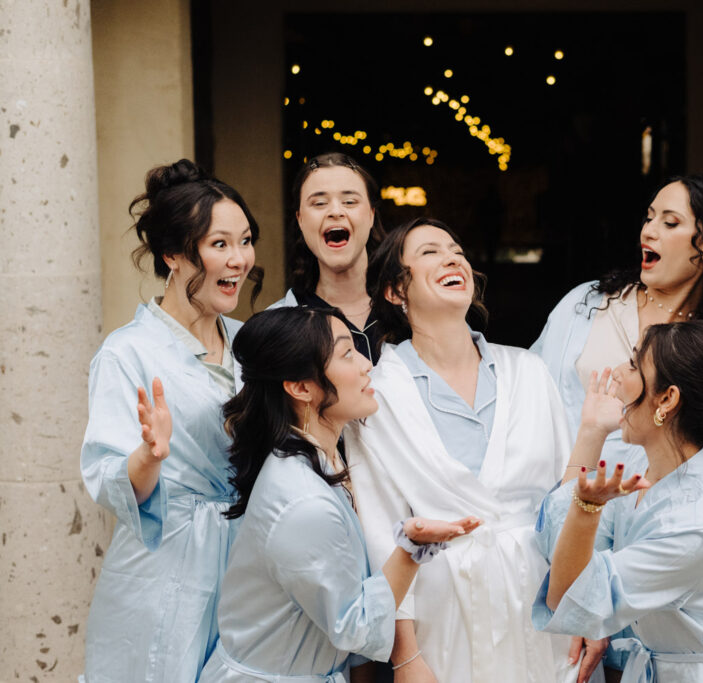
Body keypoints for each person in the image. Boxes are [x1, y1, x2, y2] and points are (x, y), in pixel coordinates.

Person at [345, 218, 597, 682]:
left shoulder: (528, 371)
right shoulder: (377, 396)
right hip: (442, 616)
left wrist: (587, 609)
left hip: (542, 605)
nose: (452, 257)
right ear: (395, 292)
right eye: (428, 252)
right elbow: (381, 532)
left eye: (456, 249)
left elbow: (568, 505)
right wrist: (405, 657)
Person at [199, 307, 480, 682]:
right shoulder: (303, 502)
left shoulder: (315, 461)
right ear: (301, 388)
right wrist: (411, 548)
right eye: (347, 353)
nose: (367, 364)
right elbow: (357, 629)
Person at [80, 159, 262, 681]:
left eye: (245, 241)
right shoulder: (127, 353)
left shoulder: (250, 343)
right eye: (219, 244)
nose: (240, 259)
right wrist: (147, 457)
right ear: (175, 255)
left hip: (246, 563)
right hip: (163, 572)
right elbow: (110, 481)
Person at [533, 322, 703, 683]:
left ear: (667, 399)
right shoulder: (642, 465)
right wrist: (591, 433)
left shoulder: (697, 523)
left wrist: (586, 509)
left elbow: (573, 599)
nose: (619, 374)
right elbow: (557, 550)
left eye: (635, 365)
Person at [532, 175, 703, 476]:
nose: (648, 231)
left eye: (670, 223)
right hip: (560, 490)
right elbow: (529, 390)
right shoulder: (586, 304)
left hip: (653, 505)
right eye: (649, 218)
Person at [271, 153, 386, 363]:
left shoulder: (409, 311)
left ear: (371, 215)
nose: (335, 211)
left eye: (349, 201)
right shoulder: (279, 325)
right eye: (319, 203)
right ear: (300, 219)